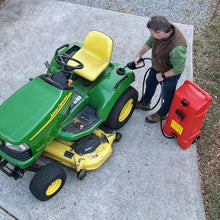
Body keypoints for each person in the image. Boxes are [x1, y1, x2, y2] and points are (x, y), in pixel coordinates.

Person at [135, 16, 187, 123]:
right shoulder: (163, 30)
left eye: (152, 32)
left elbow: (179, 68)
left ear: (161, 33)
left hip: (170, 73)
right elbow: (151, 40)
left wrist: (164, 75)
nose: (151, 34)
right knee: (150, 82)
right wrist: (140, 54)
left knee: (166, 95)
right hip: (158, 65)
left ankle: (162, 114)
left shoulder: (177, 48)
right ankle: (145, 103)